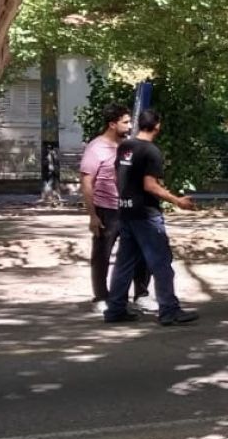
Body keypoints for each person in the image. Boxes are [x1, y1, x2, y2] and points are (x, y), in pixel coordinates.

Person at [106, 109, 200, 325]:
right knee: (161, 263)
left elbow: (116, 176)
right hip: (146, 216)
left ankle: (115, 309)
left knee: (124, 264)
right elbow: (150, 185)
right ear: (157, 125)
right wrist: (177, 200)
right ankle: (169, 310)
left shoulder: (125, 147)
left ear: (139, 124)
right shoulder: (151, 151)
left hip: (126, 212)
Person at [79, 103, 151, 315]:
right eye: (125, 122)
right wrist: (92, 215)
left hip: (131, 208)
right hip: (107, 210)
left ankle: (142, 295)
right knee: (102, 255)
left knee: (142, 253)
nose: (130, 126)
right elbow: (86, 182)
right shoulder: (96, 148)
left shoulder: (128, 146)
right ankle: (101, 297)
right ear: (112, 124)